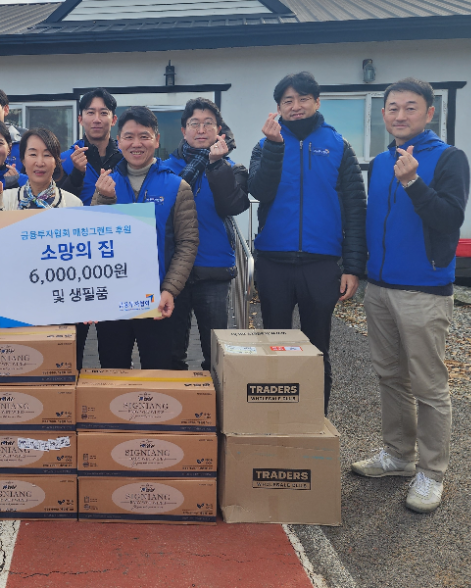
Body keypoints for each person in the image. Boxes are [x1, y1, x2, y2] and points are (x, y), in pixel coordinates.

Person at [351, 77, 469, 515]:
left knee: (429, 386)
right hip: (379, 288)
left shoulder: (448, 158)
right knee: (389, 376)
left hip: (424, 289)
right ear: (383, 114)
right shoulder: (381, 162)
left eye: (410, 107)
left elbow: (450, 219)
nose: (400, 115)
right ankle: (399, 456)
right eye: (393, 108)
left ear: (429, 113)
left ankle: (431, 473)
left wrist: (415, 183)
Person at [248, 71, 366, 413]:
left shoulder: (339, 146)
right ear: (278, 108)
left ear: (317, 101)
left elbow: (355, 209)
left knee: (317, 348)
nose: (295, 106)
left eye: (302, 99)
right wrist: (273, 147)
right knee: (275, 346)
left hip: (321, 264)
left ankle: (314, 420)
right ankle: (276, 417)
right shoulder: (266, 144)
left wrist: (353, 267)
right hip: (274, 262)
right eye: (287, 101)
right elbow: (258, 190)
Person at [91, 106, 198, 369]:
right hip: (114, 300)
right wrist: (101, 199)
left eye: (144, 136)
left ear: (157, 139)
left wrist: (170, 289)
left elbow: (187, 242)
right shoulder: (107, 184)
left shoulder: (177, 186)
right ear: (119, 141)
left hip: (158, 300)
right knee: (113, 373)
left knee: (158, 374)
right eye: (129, 136)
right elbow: (93, 238)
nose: (136, 144)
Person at [0, 127, 90, 368]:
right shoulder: (7, 198)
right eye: (32, 154)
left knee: (64, 374)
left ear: (56, 161)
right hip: (17, 307)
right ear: (22, 160)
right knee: (22, 375)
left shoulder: (72, 203)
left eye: (47, 154)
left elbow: (81, 262)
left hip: (64, 309)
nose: (40, 162)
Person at [163, 98, 250, 370]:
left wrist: (215, 165)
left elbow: (233, 206)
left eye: (208, 124)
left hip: (213, 269)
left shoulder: (232, 167)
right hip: (172, 271)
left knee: (215, 354)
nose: (201, 129)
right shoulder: (166, 168)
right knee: (171, 352)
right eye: (194, 124)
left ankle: (214, 408)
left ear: (218, 130)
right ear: (183, 130)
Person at [60, 88, 123, 205]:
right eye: (91, 113)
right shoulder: (63, 161)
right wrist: (76, 174)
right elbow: (56, 205)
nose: (97, 120)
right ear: (80, 119)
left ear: (113, 120)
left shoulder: (127, 159)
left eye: (104, 113)